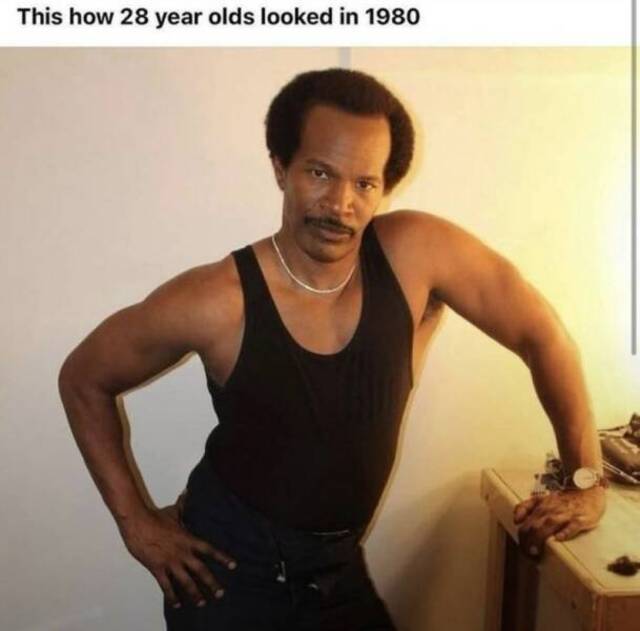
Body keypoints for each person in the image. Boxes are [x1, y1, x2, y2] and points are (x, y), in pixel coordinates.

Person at [58, 68, 606, 630]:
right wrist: (137, 526)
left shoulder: (417, 255)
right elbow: (83, 378)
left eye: (364, 184)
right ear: (281, 168)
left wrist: (585, 478)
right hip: (228, 571)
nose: (341, 203)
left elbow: (542, 335)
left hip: (336, 570)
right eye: (320, 173)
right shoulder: (218, 299)